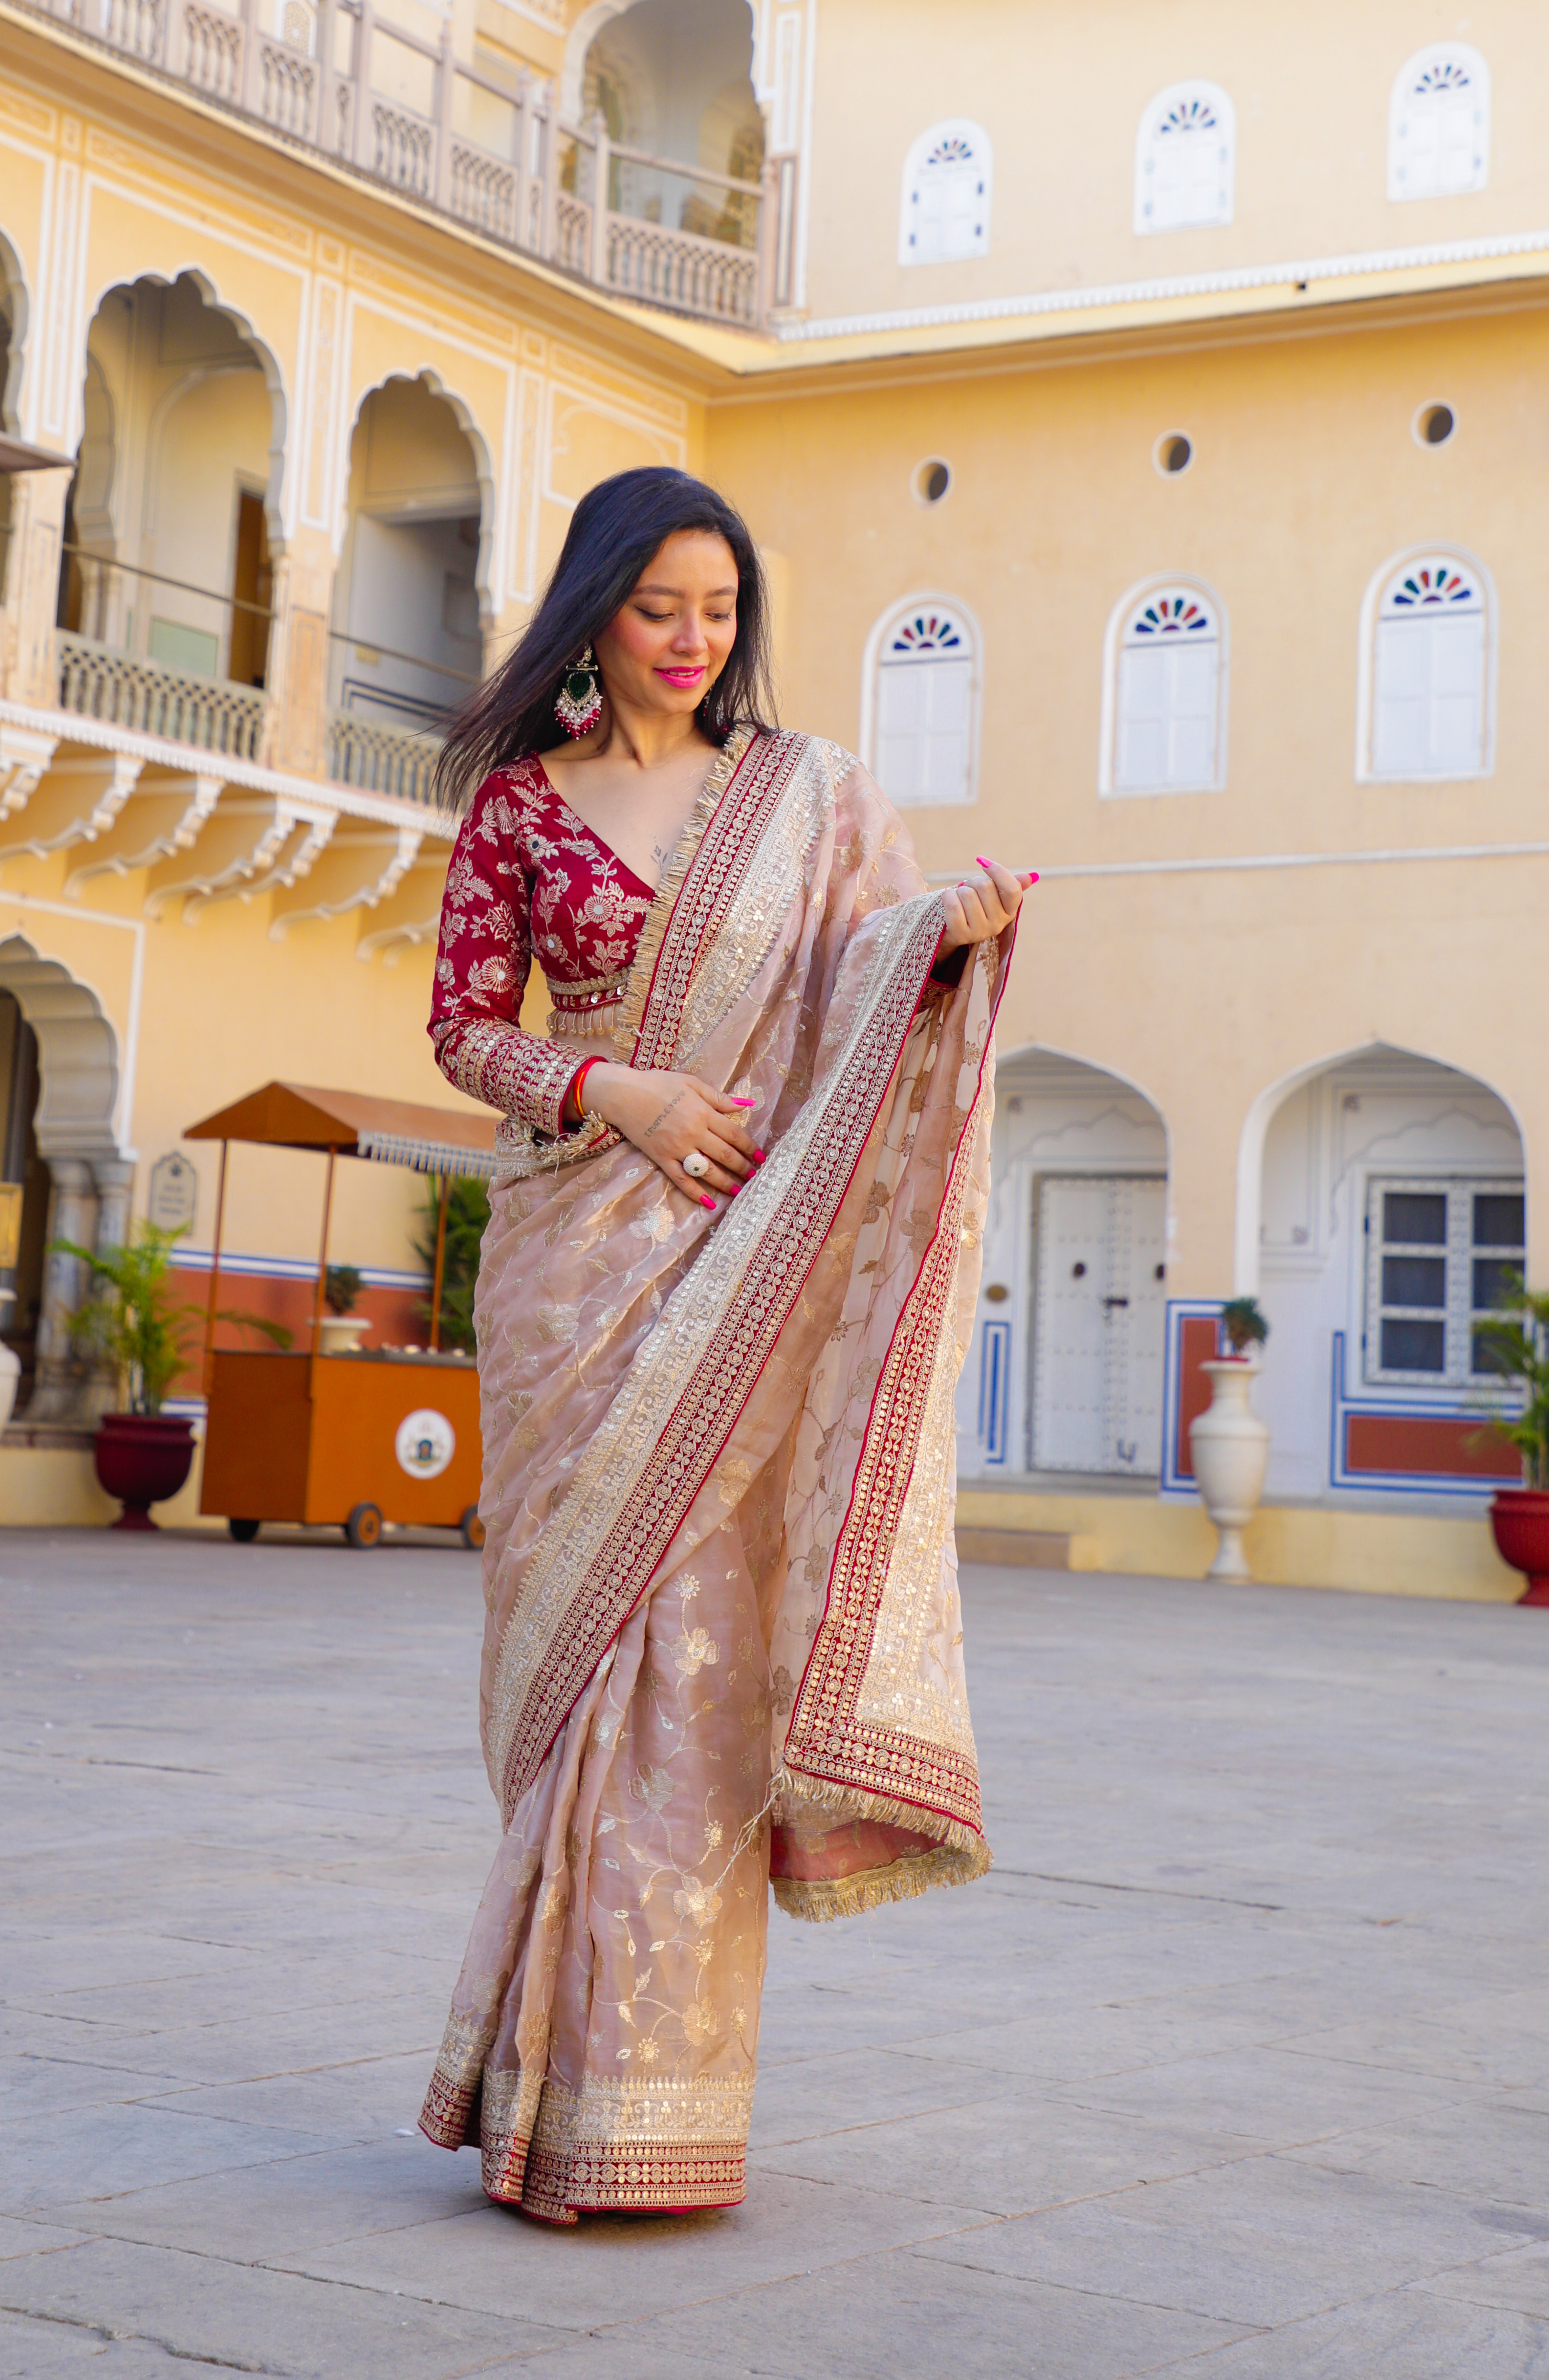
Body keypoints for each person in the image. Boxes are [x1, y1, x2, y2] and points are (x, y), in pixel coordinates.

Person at [416, 467, 1030, 2225]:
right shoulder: (520, 807)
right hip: (572, 1276)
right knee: (575, 1672)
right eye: (659, 606)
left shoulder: (812, 796)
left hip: (743, 1263)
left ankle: (648, 2111)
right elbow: (463, 1028)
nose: (694, 639)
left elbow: (859, 982)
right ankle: (534, 2090)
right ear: (593, 611)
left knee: (691, 1675)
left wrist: (943, 939)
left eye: (721, 608)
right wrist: (616, 1088)